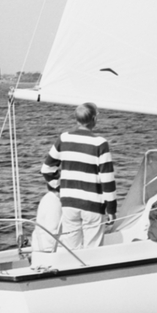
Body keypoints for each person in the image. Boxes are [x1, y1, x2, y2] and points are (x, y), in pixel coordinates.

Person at [41, 102, 116, 249]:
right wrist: (111, 210)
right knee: (92, 251)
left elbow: (46, 169)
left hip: (69, 203)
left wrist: (60, 187)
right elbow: (107, 179)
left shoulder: (64, 139)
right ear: (94, 119)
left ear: (77, 119)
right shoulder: (100, 143)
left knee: (71, 249)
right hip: (93, 205)